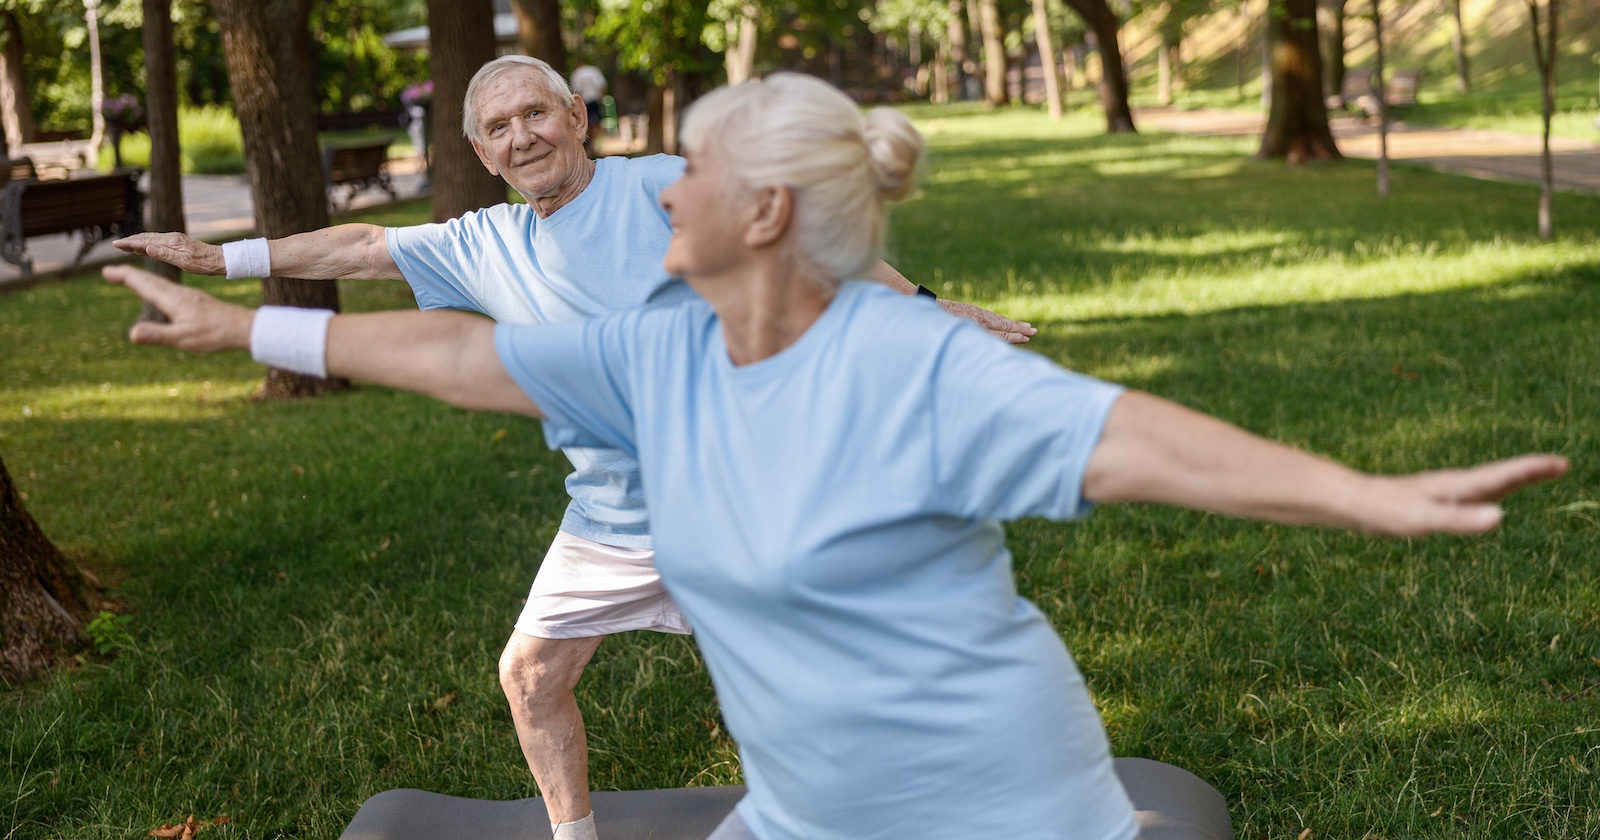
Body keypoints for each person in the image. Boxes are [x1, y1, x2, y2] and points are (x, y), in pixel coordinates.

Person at [107, 73, 1567, 840]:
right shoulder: (662, 352)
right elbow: (458, 353)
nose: (657, 184)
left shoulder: (906, 369)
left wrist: (1368, 494)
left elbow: (1137, 443)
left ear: (763, 221)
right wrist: (245, 334)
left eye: (694, 169)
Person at [112, 56, 1035, 840]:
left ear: (576, 118)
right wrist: (218, 260)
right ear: (481, 152)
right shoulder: (483, 243)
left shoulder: (661, 185)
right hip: (614, 516)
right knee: (530, 673)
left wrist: (929, 311)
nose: (522, 136)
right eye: (498, 127)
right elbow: (357, 247)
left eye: (535, 113)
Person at [570, 64, 607, 149]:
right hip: (594, 100)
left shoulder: (577, 74)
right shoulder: (594, 70)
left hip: (584, 101)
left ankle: (590, 145)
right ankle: (595, 143)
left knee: (586, 123)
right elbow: (601, 85)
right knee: (596, 122)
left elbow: (577, 90)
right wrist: (601, 99)